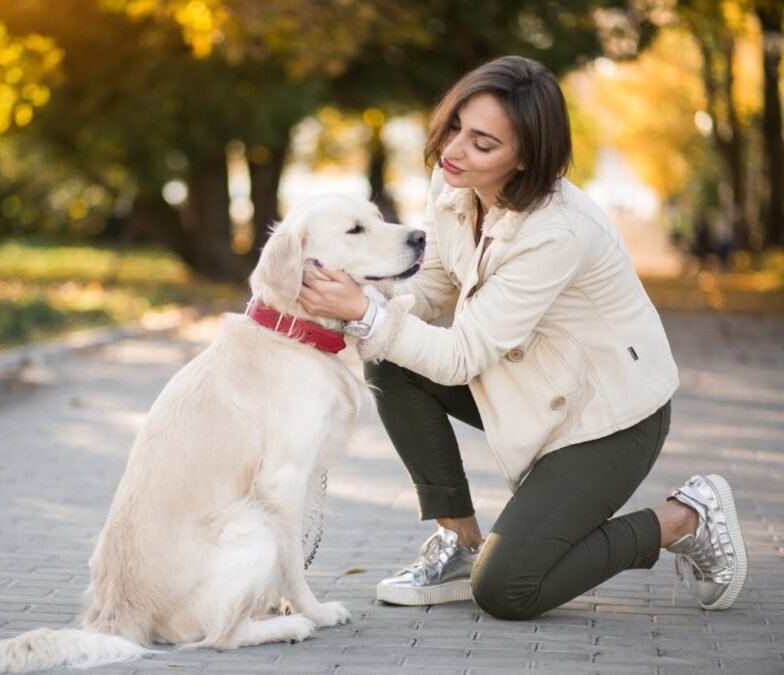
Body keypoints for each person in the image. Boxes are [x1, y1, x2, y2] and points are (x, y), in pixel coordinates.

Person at [298, 55, 747, 620]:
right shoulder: (453, 181)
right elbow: (435, 285)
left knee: (509, 588)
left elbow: (461, 355)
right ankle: (458, 543)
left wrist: (365, 311)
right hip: (523, 383)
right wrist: (354, 303)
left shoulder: (555, 231)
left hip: (604, 417)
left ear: (526, 158)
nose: (455, 150)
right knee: (387, 355)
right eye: (456, 126)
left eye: (483, 143)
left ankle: (686, 517)